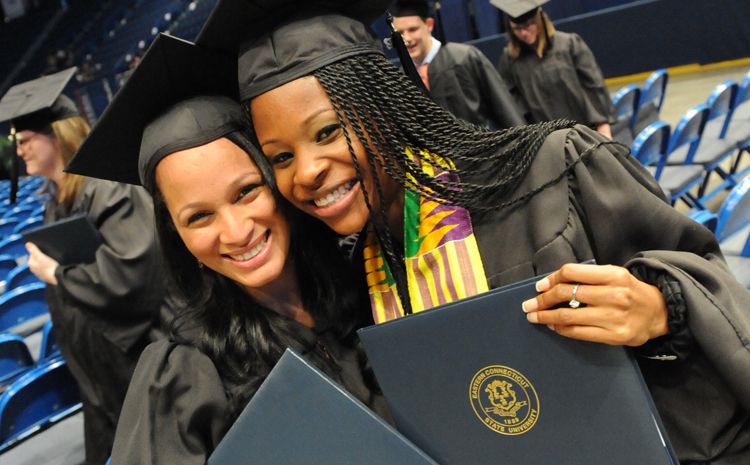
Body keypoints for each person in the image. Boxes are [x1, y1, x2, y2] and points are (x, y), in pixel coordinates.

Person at [196, 1, 750, 463]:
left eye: (326, 132)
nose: (307, 171)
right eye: (280, 157)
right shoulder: (364, 270)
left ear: (384, 106)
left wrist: (661, 307)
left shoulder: (551, 170)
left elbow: (707, 272)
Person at [66, 34, 385, 464]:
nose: (236, 232)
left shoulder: (368, 283)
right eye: (199, 217)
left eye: (246, 192)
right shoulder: (186, 374)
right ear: (177, 236)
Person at [0, 68, 171, 465]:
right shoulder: (57, 200)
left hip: (142, 365)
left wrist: (56, 275)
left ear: (56, 135)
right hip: (101, 376)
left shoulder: (107, 187)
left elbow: (133, 275)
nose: (19, 151)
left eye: (25, 141)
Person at [391, 0, 523, 130]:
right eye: (400, 33)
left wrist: (523, 139)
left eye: (413, 29)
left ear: (429, 25)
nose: (406, 38)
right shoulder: (402, 77)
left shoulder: (464, 58)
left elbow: (504, 108)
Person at [492, 0, 615, 138]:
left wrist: (603, 126)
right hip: (546, 139)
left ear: (540, 21)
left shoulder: (569, 44)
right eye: (517, 29)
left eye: (528, 25)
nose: (523, 32)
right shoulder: (510, 60)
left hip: (585, 131)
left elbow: (593, 86)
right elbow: (513, 104)